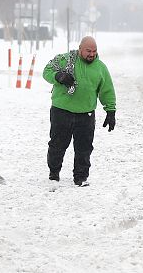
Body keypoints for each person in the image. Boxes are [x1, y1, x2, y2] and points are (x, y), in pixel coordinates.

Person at [42, 36, 117, 186]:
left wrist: (111, 111)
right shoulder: (65, 60)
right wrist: (59, 76)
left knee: (84, 147)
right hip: (61, 111)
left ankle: (81, 177)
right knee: (57, 144)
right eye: (88, 51)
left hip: (86, 114)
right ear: (80, 49)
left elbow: (106, 90)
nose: (91, 54)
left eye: (94, 51)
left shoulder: (100, 68)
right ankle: (54, 174)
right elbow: (47, 71)